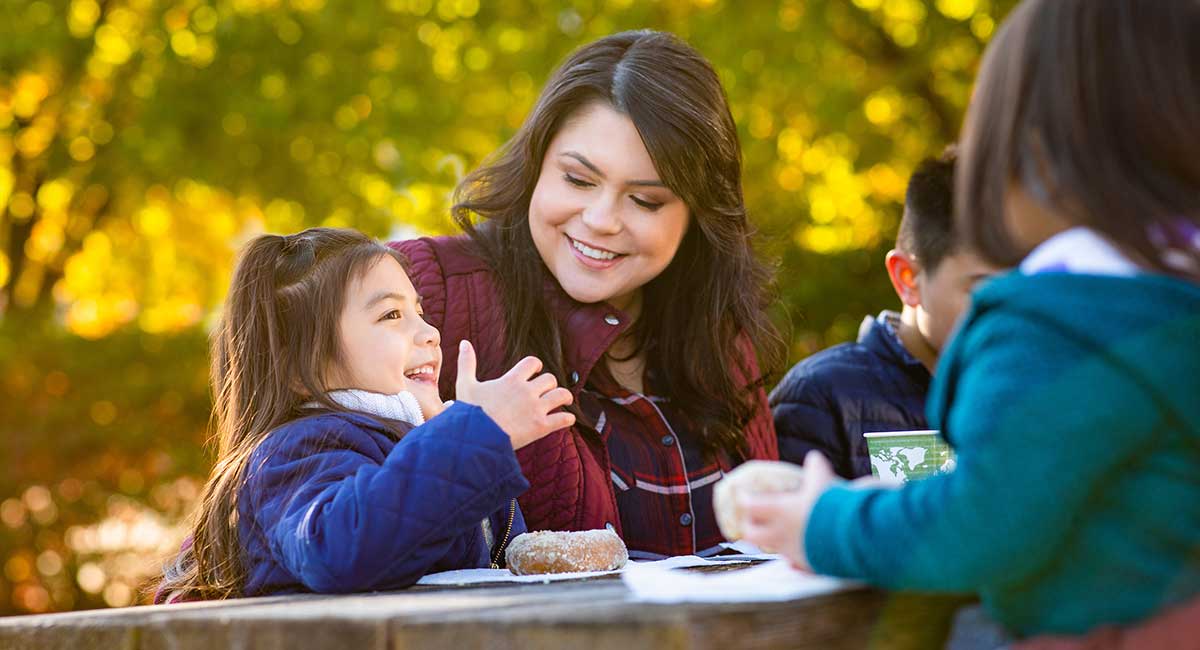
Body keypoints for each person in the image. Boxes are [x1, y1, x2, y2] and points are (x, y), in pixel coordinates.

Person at [734, 0, 1200, 638]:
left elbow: (982, 525)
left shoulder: (1061, 325)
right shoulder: (1169, 299)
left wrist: (824, 523)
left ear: (1025, 152)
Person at [393, 30, 785, 559]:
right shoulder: (423, 290)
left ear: (698, 215)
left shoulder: (722, 337)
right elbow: (308, 509)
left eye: (645, 201)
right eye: (578, 180)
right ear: (536, 164)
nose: (601, 220)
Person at [156, 228, 574, 599]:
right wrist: (476, 437)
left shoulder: (434, 451)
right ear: (301, 369)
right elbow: (343, 551)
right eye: (391, 314)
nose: (430, 333)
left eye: (420, 311)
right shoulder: (293, 454)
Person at [769, 148, 997, 477]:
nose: (1010, 311)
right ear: (908, 279)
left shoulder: (1029, 391)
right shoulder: (820, 397)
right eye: (984, 289)